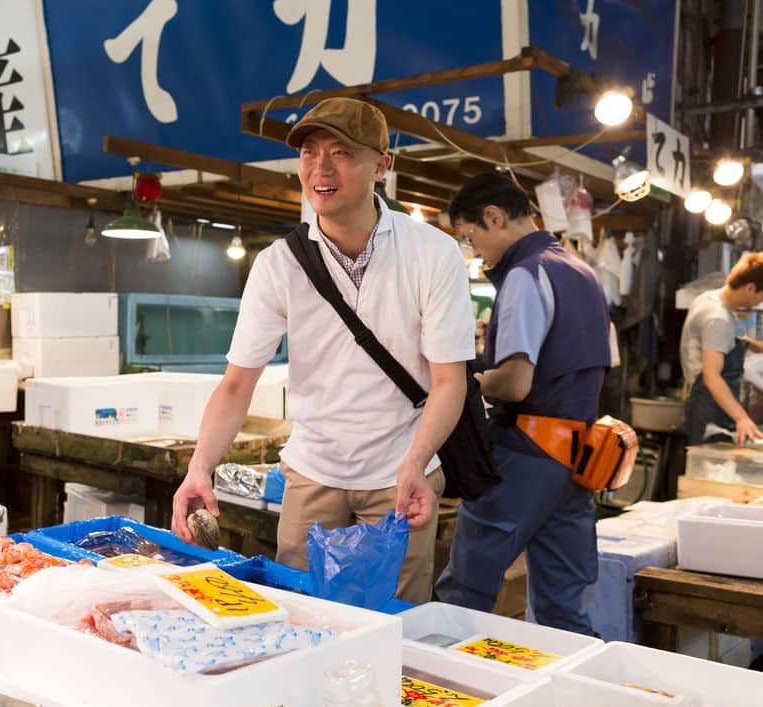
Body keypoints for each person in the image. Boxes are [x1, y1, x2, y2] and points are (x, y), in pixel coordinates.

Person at [170, 98, 475, 603]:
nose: (320, 168)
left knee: (395, 621)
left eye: (341, 153)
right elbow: (237, 383)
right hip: (313, 470)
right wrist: (201, 466)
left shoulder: (431, 252)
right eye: (310, 152)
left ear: (382, 166)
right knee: (302, 611)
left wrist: (417, 461)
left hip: (401, 470)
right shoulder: (278, 264)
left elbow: (449, 381)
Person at [435, 173, 611, 634]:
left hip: (527, 454)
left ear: (493, 216)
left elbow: (515, 383)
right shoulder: (581, 272)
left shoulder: (525, 272)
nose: (474, 252)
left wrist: (466, 379)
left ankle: (448, 692)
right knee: (562, 607)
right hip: (578, 458)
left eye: (471, 237)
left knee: (464, 593)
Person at [680, 253, 763, 446]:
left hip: (714, 403)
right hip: (710, 407)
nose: (759, 303)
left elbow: (715, 340)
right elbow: (712, 376)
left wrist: (751, 344)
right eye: (761, 296)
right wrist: (742, 418)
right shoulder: (717, 318)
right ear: (750, 288)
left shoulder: (710, 298)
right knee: (709, 471)